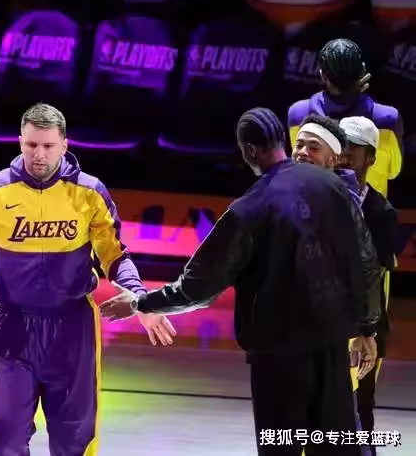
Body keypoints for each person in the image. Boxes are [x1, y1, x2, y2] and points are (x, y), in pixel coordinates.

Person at [100, 107, 380, 456]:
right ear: (284, 141)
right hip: (333, 348)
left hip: (278, 359)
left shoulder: (249, 209)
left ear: (248, 150)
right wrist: (368, 327)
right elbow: (366, 261)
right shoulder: (336, 187)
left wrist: (139, 302)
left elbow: (198, 289)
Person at [0, 103, 176, 455]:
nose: (39, 154)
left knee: (75, 440)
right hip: (10, 329)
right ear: (20, 142)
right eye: (31, 145)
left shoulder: (90, 193)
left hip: (72, 330)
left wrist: (140, 299)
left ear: (64, 145)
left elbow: (115, 256)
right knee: (4, 438)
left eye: (47, 146)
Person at [337, 117, 398, 456]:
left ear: (371, 158)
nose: (344, 155)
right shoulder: (318, 198)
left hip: (364, 325)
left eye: (353, 149)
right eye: (341, 146)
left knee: (361, 408)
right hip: (323, 321)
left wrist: (369, 329)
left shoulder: (381, 211)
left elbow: (377, 274)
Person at [287, 38, 403, 197]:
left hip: (315, 211)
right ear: (362, 71)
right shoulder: (388, 119)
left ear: (322, 75)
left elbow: (301, 167)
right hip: (367, 212)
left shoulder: (298, 114)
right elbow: (393, 171)